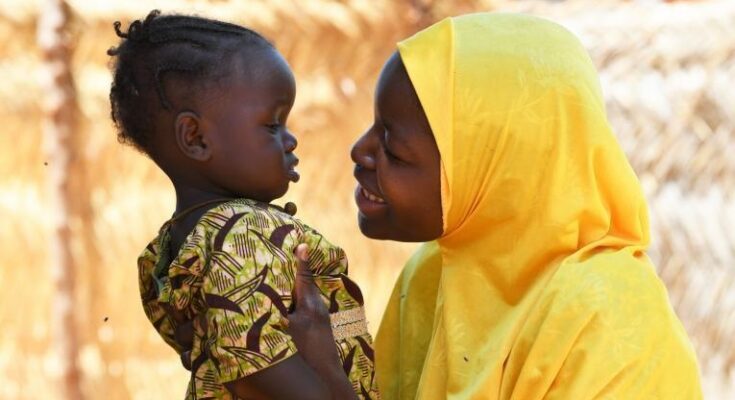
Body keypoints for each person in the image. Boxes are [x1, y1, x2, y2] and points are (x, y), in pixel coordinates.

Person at [346, 12, 702, 399]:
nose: (359, 151)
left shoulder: (611, 323)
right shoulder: (432, 272)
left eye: (393, 150)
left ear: (496, 173)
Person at [107, 10, 378, 399]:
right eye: (272, 125)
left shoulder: (165, 253)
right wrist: (335, 378)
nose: (290, 140)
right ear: (195, 137)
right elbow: (257, 373)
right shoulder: (244, 233)